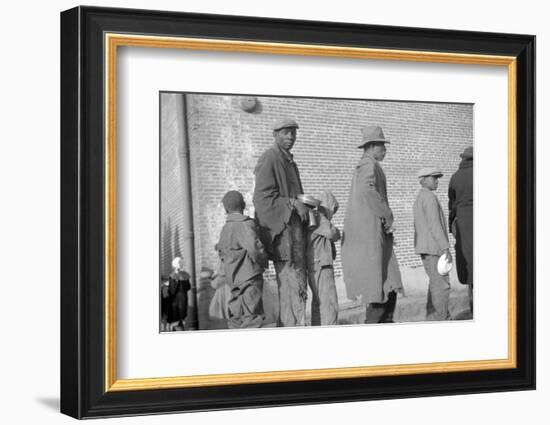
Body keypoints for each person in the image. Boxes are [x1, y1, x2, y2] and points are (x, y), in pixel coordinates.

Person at [342, 125, 403, 324]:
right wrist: (387, 215)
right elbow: (367, 190)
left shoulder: (369, 164)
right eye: (382, 146)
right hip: (372, 236)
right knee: (378, 291)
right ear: (371, 146)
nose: (385, 150)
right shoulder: (368, 166)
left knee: (387, 289)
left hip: (376, 235)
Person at [253, 118, 310, 327]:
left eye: (293, 133)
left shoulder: (289, 161)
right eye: (285, 133)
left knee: (299, 285)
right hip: (283, 236)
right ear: (275, 134)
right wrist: (293, 203)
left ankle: (297, 325)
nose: (290, 137)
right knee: (289, 285)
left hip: (296, 234)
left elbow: (296, 195)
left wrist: (310, 203)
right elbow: (262, 199)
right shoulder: (270, 158)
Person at [216, 190, 268, 329]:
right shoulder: (244, 224)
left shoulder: (225, 229)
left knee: (236, 317)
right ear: (243, 205)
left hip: (233, 281)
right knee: (251, 317)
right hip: (249, 278)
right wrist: (264, 262)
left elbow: (221, 254)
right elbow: (255, 249)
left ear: (226, 209)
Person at [414, 167, 452, 321]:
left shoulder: (420, 197)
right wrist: (445, 247)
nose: (437, 181)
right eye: (434, 178)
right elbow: (435, 225)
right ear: (423, 179)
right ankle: (441, 320)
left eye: (438, 178)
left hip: (426, 248)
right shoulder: (429, 197)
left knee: (435, 286)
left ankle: (432, 319)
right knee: (441, 287)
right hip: (434, 249)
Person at [306, 191, 341, 326]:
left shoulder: (314, 217)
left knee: (319, 303)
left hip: (315, 264)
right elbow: (333, 233)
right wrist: (338, 232)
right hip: (322, 265)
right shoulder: (319, 217)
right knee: (329, 303)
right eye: (333, 209)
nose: (333, 213)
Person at [449, 146, 473, 313]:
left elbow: (452, 203)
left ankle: (473, 306)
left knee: (469, 264)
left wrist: (452, 223)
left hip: (464, 223)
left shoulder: (455, 177)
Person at [165, 257, 191, 331]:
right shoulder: (186, 275)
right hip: (184, 299)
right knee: (182, 318)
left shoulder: (173, 276)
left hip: (175, 301)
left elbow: (172, 291)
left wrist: (167, 287)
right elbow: (189, 287)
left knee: (175, 319)